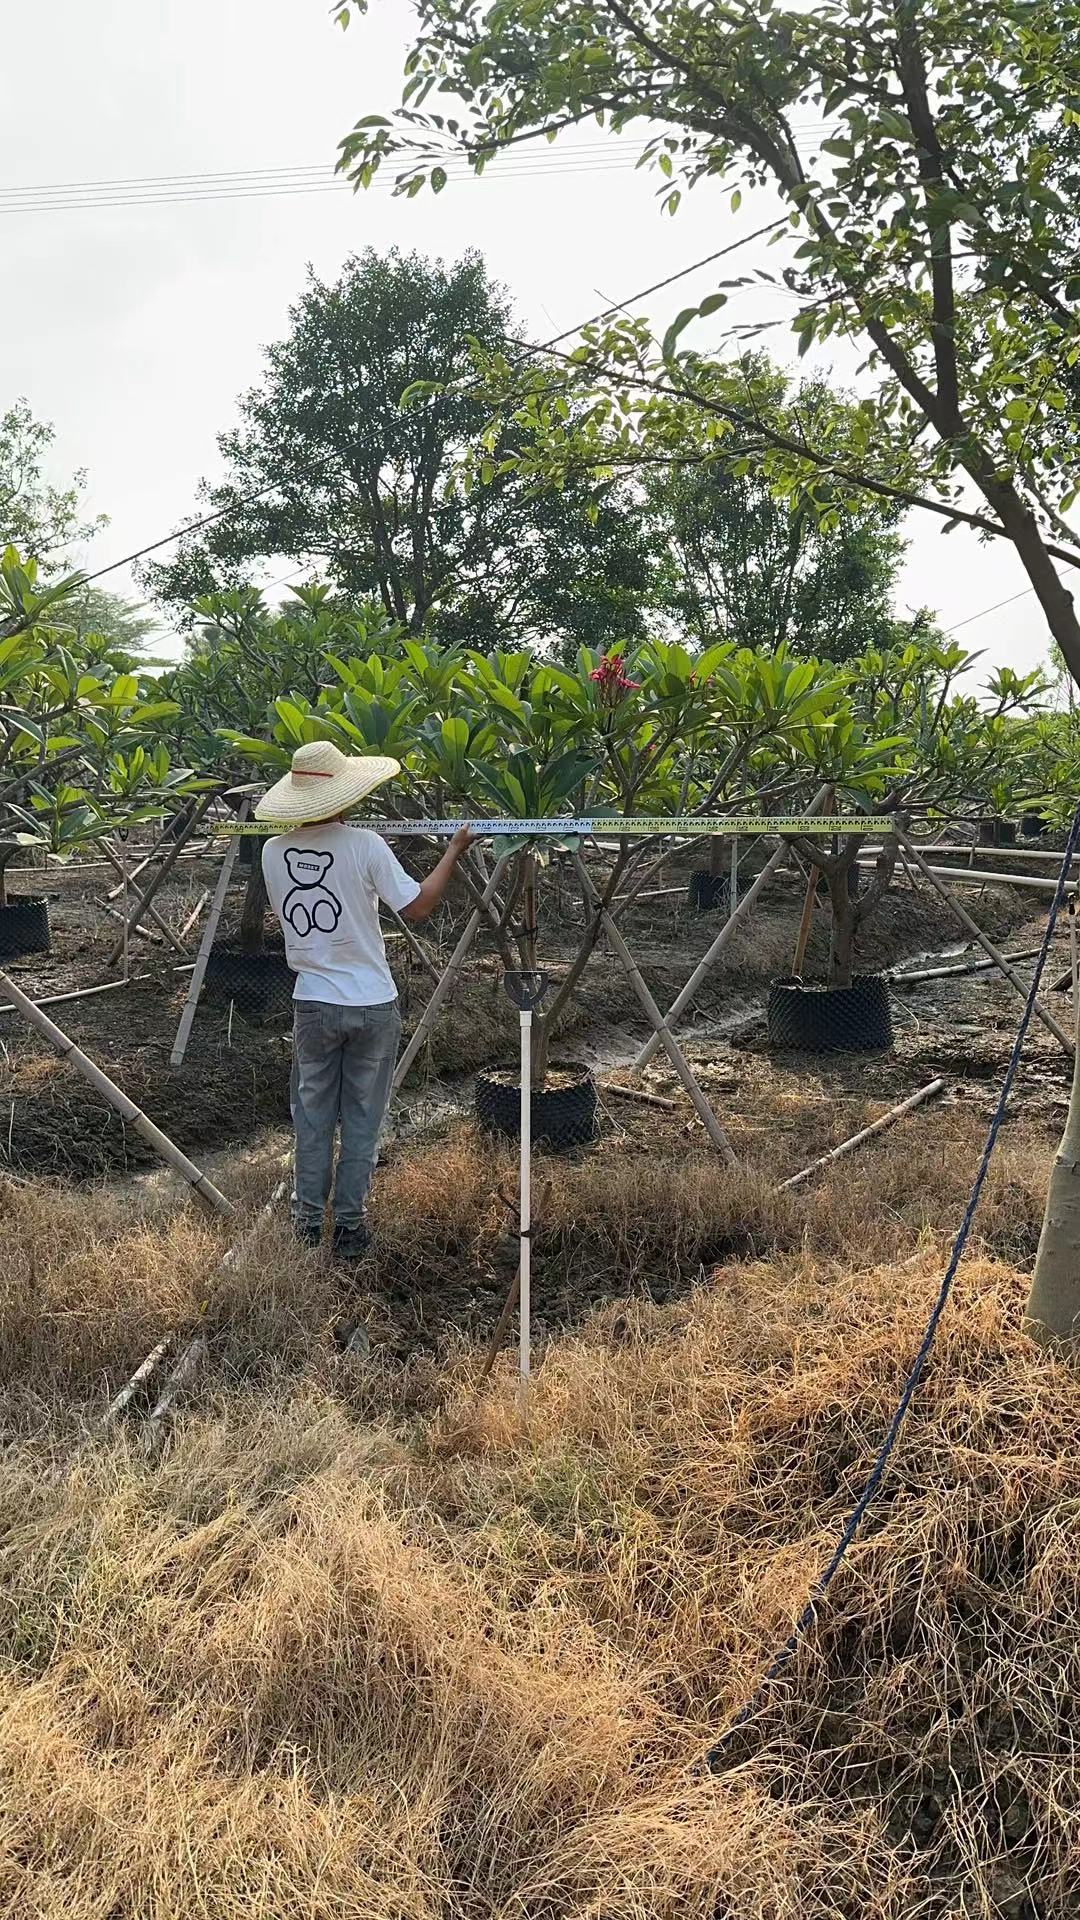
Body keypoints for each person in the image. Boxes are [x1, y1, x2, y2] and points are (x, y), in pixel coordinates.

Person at [257, 740, 474, 1259]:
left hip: (312, 1002)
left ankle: (307, 1227)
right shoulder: (366, 844)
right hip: (373, 1004)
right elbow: (418, 907)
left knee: (311, 1119)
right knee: (361, 1120)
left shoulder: (271, 851)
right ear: (345, 793)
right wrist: (453, 851)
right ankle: (350, 1230)